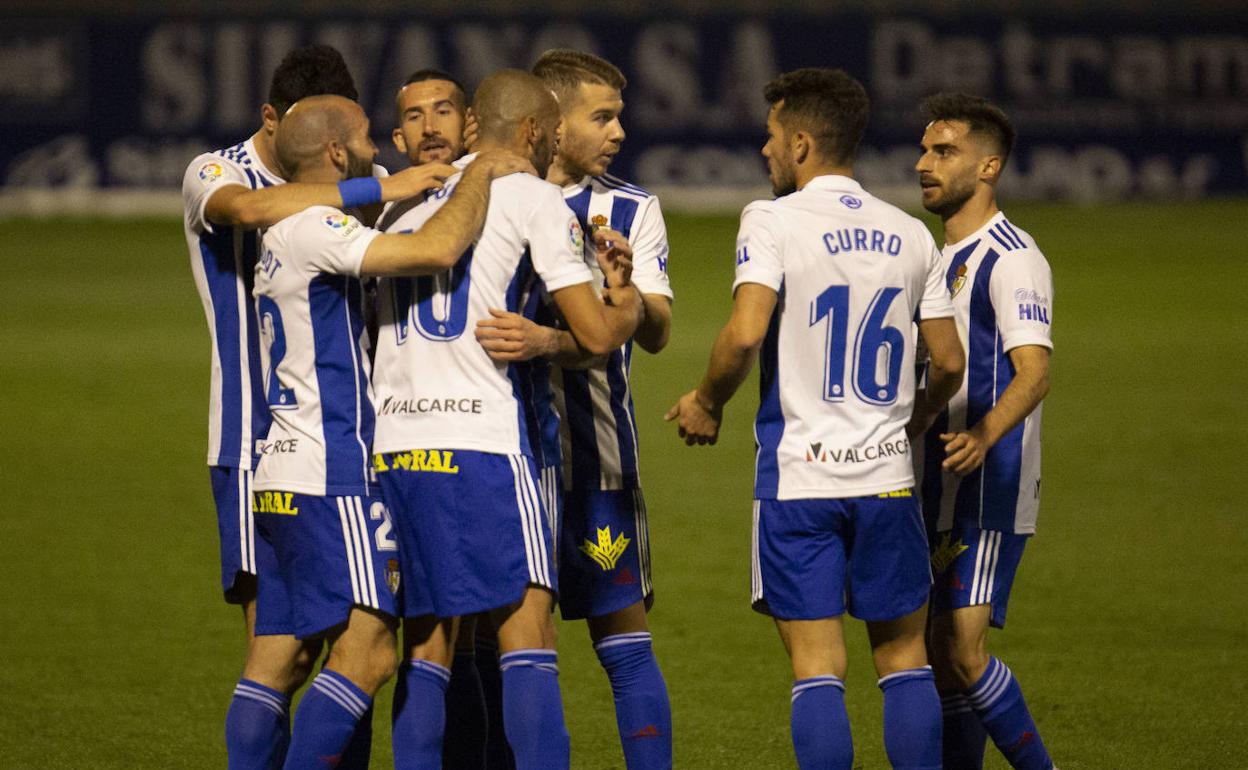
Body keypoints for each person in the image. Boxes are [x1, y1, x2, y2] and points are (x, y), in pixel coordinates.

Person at [665, 68, 966, 770]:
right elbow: (947, 363)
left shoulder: (770, 219)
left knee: (817, 666)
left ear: (801, 144)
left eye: (771, 137)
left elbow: (744, 334)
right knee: (903, 659)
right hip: (888, 480)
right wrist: (909, 424)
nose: (764, 150)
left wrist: (707, 401)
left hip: (801, 479)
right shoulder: (911, 233)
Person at [180, 44, 450, 768]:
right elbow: (251, 208)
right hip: (252, 438)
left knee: (330, 644)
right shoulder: (218, 171)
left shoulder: (360, 179)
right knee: (298, 647)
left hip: (343, 438)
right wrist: (378, 189)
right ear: (276, 121)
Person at [370, 69, 643, 770]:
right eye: (550, 133)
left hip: (397, 445)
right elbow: (600, 334)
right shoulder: (532, 198)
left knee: (428, 645)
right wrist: (625, 297)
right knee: (530, 635)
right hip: (485, 444)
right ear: (530, 132)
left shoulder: (407, 200)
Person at [252, 93, 529, 767]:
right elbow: (436, 249)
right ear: (338, 153)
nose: (382, 150)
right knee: (372, 652)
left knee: (280, 663)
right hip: (331, 466)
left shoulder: (278, 235)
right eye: (372, 138)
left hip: (278, 468)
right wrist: (480, 173)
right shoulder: (318, 227)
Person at [474, 48, 674, 770]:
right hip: (501, 457)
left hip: (597, 460)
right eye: (603, 116)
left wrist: (625, 293)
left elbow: (655, 332)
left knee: (623, 641)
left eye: (619, 114)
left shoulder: (630, 210)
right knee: (496, 648)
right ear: (551, 124)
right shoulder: (483, 200)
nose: (619, 130)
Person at [913, 92, 1057, 770]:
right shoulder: (936, 256)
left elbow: (1033, 371)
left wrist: (983, 435)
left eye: (945, 152)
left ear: (990, 165)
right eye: (924, 149)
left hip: (986, 484)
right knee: (942, 657)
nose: (925, 163)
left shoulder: (1012, 257)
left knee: (964, 652)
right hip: (933, 479)